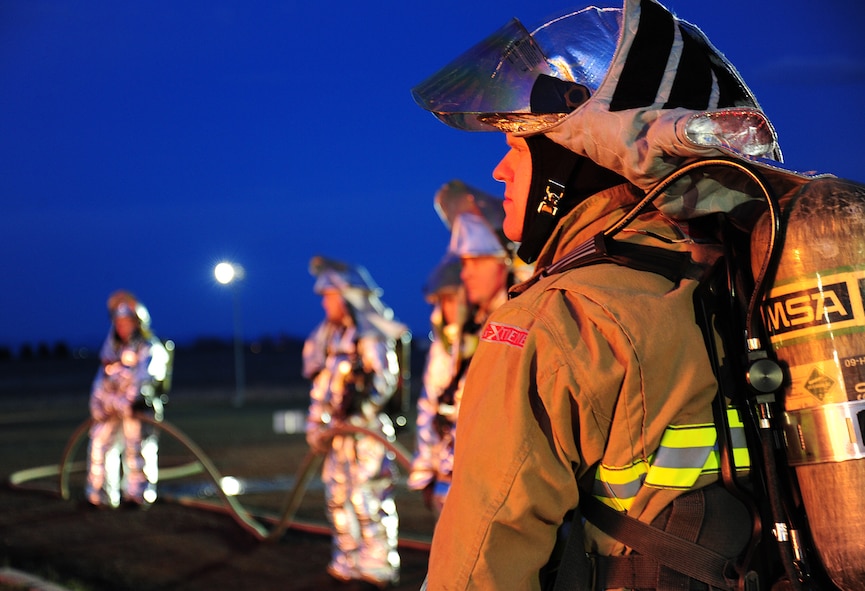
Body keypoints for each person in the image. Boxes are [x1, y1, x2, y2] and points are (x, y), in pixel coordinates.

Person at [411, 1, 796, 588]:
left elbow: (481, 563)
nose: (499, 173)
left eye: (516, 148)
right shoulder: (752, 276)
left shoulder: (559, 318)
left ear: (578, 158)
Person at [409, 181, 518, 516]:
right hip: (457, 478)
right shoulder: (468, 328)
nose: (464, 274)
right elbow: (435, 396)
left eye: (474, 262)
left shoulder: (522, 324)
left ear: (503, 263)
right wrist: (428, 469)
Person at [302, 256, 406, 588]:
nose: (324, 302)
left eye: (329, 295)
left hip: (367, 435)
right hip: (337, 438)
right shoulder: (330, 339)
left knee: (368, 499)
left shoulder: (371, 335)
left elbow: (384, 381)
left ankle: (376, 568)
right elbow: (321, 387)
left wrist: (356, 413)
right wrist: (316, 427)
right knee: (338, 497)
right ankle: (347, 561)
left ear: (347, 295)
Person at [86, 290, 171, 509]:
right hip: (111, 411)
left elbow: (145, 378)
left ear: (137, 322)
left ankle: (137, 496)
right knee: (100, 445)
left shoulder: (149, 348)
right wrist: (99, 405)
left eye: (127, 321)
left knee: (138, 451)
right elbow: (101, 381)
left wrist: (127, 401)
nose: (122, 326)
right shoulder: (111, 351)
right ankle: (100, 495)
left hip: (138, 410)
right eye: (118, 322)